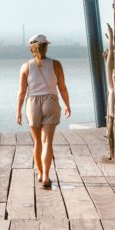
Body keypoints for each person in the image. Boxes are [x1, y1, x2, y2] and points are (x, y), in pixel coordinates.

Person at [16, 34, 71, 188]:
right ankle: (46, 176)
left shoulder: (25, 66)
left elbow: (21, 92)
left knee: (37, 142)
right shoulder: (56, 64)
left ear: (32, 49)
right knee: (47, 142)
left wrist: (18, 112)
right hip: (50, 101)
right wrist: (67, 104)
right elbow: (62, 87)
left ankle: (40, 173)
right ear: (45, 47)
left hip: (32, 103)